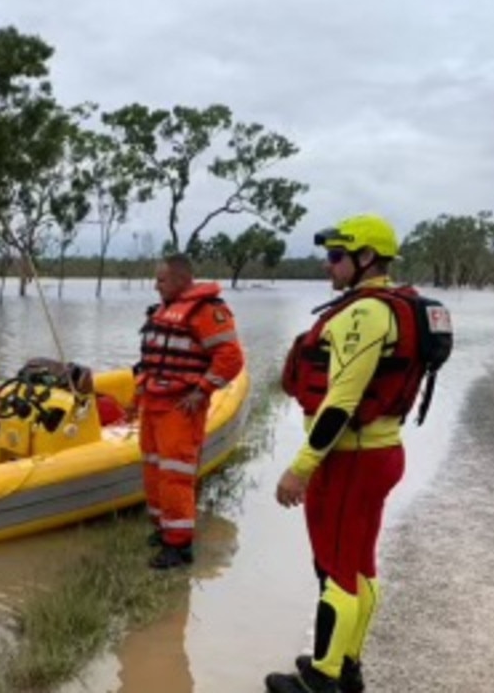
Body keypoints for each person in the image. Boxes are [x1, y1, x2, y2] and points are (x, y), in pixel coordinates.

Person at [267, 213, 439, 693]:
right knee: (360, 564)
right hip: (380, 452)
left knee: (336, 570)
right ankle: (346, 663)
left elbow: (341, 403)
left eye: (337, 256)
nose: (329, 265)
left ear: (366, 258)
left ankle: (322, 679)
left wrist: (299, 470)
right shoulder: (388, 307)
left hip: (350, 459)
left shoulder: (365, 314)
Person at [134, 253, 244, 570]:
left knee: (175, 474)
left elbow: (230, 358)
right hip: (155, 401)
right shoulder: (164, 310)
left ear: (182, 280)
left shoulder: (207, 311)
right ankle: (163, 530)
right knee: (154, 469)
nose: (156, 286)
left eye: (161, 280)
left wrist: (202, 391)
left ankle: (179, 548)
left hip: (180, 406)